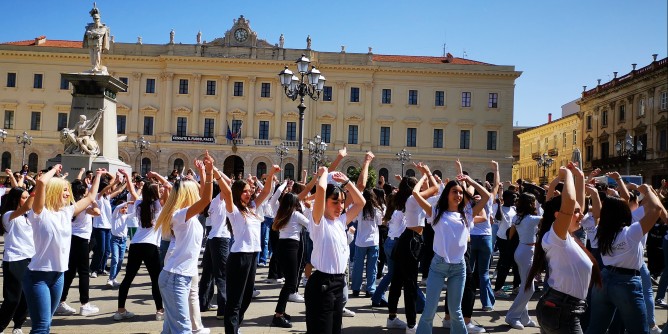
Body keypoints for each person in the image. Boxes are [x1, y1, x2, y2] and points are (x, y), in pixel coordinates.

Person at [23, 165, 102, 334]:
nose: (68, 194)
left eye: (68, 191)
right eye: (64, 190)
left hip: (59, 276)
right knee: (41, 326)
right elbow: (42, 182)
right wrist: (55, 170)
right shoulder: (39, 212)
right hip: (38, 277)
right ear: (54, 191)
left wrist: (98, 176)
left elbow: (91, 197)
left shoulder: (67, 212)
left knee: (46, 325)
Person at [585, 173, 665, 333]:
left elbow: (608, 208)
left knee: (596, 328)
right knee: (640, 330)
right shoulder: (630, 232)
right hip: (626, 282)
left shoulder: (601, 230)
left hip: (604, 279)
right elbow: (656, 209)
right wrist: (648, 190)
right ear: (623, 213)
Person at [415, 166, 490, 334]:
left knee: (456, 312)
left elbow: (486, 196)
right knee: (429, 311)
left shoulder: (467, 213)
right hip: (438, 265)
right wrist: (424, 177)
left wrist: (469, 181)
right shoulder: (436, 213)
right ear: (447, 194)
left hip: (459, 267)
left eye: (460, 193)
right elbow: (416, 195)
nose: (458, 195)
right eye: (454, 192)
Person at [527, 164, 602, 333]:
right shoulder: (556, 236)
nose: (581, 215)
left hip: (563, 308)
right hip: (561, 310)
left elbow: (576, 205)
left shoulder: (565, 236)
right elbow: (569, 203)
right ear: (558, 215)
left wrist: (580, 176)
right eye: (575, 212)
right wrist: (567, 174)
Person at [155, 152, 215, 334]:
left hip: (180, 275)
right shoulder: (181, 215)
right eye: (194, 190)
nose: (198, 191)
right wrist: (210, 173)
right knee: (182, 329)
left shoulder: (188, 215)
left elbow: (204, 195)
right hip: (175, 277)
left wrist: (203, 172)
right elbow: (205, 199)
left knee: (171, 329)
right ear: (188, 195)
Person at [304, 167, 365, 334]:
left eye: (342, 202)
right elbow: (322, 189)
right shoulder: (319, 222)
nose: (340, 206)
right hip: (322, 284)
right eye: (335, 202)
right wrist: (323, 173)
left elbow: (361, 202)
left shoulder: (341, 221)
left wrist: (347, 182)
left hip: (339, 282)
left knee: (335, 330)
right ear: (323, 203)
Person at [221, 163, 280, 334]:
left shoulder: (252, 208)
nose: (249, 193)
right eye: (245, 191)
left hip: (253, 256)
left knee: (246, 298)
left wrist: (270, 174)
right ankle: (231, 330)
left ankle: (235, 326)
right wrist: (213, 173)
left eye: (250, 191)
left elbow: (267, 191)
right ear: (238, 192)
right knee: (235, 300)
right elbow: (226, 191)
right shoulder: (233, 210)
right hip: (239, 257)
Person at [113, 169, 169, 321]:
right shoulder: (159, 205)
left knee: (128, 278)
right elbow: (169, 187)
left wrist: (126, 175)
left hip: (136, 244)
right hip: (151, 246)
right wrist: (157, 175)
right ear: (155, 193)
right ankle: (159, 310)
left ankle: (120, 310)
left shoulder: (138, 203)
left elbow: (132, 189)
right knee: (155, 279)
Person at [56, 179, 101, 316]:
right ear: (83, 192)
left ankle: (60, 301)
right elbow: (97, 212)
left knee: (69, 272)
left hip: (71, 238)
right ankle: (84, 304)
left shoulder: (70, 204)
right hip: (81, 240)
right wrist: (92, 200)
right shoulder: (82, 205)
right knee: (83, 272)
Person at [271, 192, 310, 328]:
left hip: (282, 246)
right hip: (291, 247)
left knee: (289, 281)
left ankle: (281, 311)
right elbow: (311, 225)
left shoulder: (282, 213)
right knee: (291, 282)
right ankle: (278, 314)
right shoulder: (295, 214)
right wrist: (309, 209)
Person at [505, 191, 542, 329]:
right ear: (531, 204)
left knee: (525, 286)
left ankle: (524, 318)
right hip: (526, 252)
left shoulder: (517, 217)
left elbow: (510, 235)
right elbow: (548, 218)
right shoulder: (533, 219)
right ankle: (512, 316)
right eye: (533, 202)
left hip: (522, 250)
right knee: (529, 288)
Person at [0, 187, 34, 334]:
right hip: (14, 259)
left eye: (28, 197)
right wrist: (38, 188)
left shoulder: (28, 216)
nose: (27, 200)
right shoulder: (8, 215)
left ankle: (18, 325)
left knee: (26, 296)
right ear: (15, 199)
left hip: (30, 258)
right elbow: (27, 205)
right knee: (13, 298)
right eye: (24, 197)